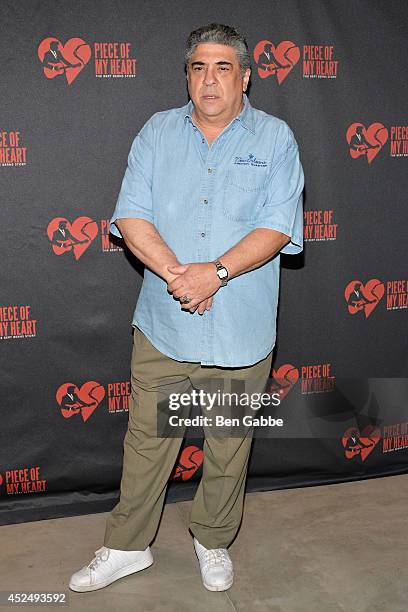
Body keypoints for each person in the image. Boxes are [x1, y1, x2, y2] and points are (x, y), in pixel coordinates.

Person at [69, 22, 304, 594]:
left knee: (227, 443)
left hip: (239, 328)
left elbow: (277, 226)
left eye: (223, 68)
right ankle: (127, 547)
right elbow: (130, 215)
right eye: (199, 67)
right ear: (188, 75)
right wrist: (181, 276)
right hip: (165, 322)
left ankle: (213, 539)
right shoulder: (157, 132)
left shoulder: (275, 139)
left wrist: (216, 273)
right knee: (149, 440)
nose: (210, 80)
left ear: (246, 77)